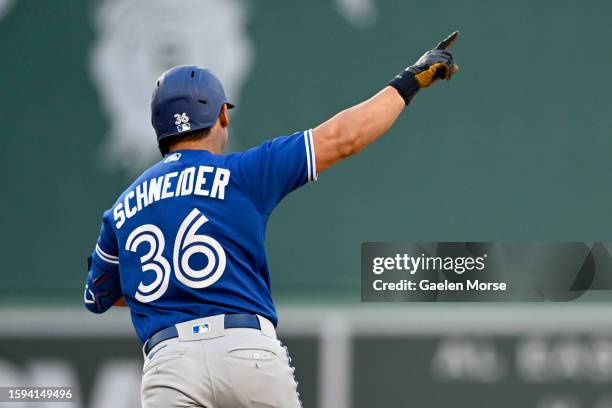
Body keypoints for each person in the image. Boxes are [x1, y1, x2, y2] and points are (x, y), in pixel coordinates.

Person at [84, 31, 460, 408]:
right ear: (221, 114)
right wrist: (409, 81)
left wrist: (173, 292)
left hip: (170, 364)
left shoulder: (122, 207)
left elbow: (101, 295)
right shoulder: (244, 173)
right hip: (246, 352)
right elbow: (344, 138)